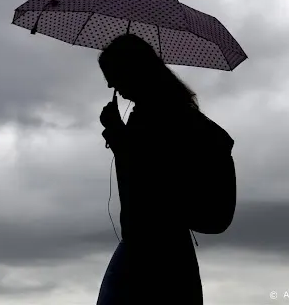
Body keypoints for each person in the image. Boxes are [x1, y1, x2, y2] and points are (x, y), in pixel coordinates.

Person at [95, 33, 236, 305]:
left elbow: (146, 176)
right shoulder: (166, 113)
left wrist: (116, 132)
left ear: (133, 70)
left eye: (113, 74)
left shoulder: (160, 118)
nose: (111, 84)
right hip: (164, 244)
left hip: (151, 246)